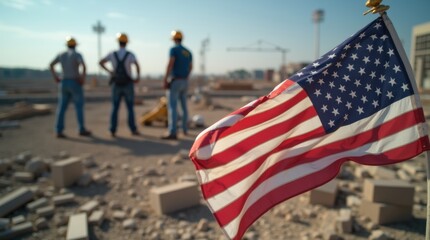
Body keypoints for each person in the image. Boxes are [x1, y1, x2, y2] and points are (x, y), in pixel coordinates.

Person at [99, 33, 141, 137]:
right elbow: (137, 65)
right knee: (130, 108)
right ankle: (133, 129)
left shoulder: (112, 54)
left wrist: (110, 72)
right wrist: (137, 77)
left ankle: (112, 130)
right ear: (126, 42)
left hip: (116, 83)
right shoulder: (130, 54)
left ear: (118, 42)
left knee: (115, 107)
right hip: (128, 83)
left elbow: (101, 62)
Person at [49, 36, 91, 138]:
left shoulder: (61, 54)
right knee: (79, 107)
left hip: (63, 82)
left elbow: (51, 65)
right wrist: (82, 78)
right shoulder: (77, 54)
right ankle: (81, 129)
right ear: (75, 45)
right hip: (75, 82)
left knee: (61, 107)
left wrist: (56, 78)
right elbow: (83, 66)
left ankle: (58, 130)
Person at [161, 30, 193, 140]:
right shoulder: (188, 52)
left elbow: (171, 63)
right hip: (184, 81)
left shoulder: (173, 50)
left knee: (173, 107)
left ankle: (173, 132)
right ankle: (185, 129)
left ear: (174, 39)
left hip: (175, 81)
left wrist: (165, 79)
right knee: (184, 107)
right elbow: (190, 67)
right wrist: (186, 77)